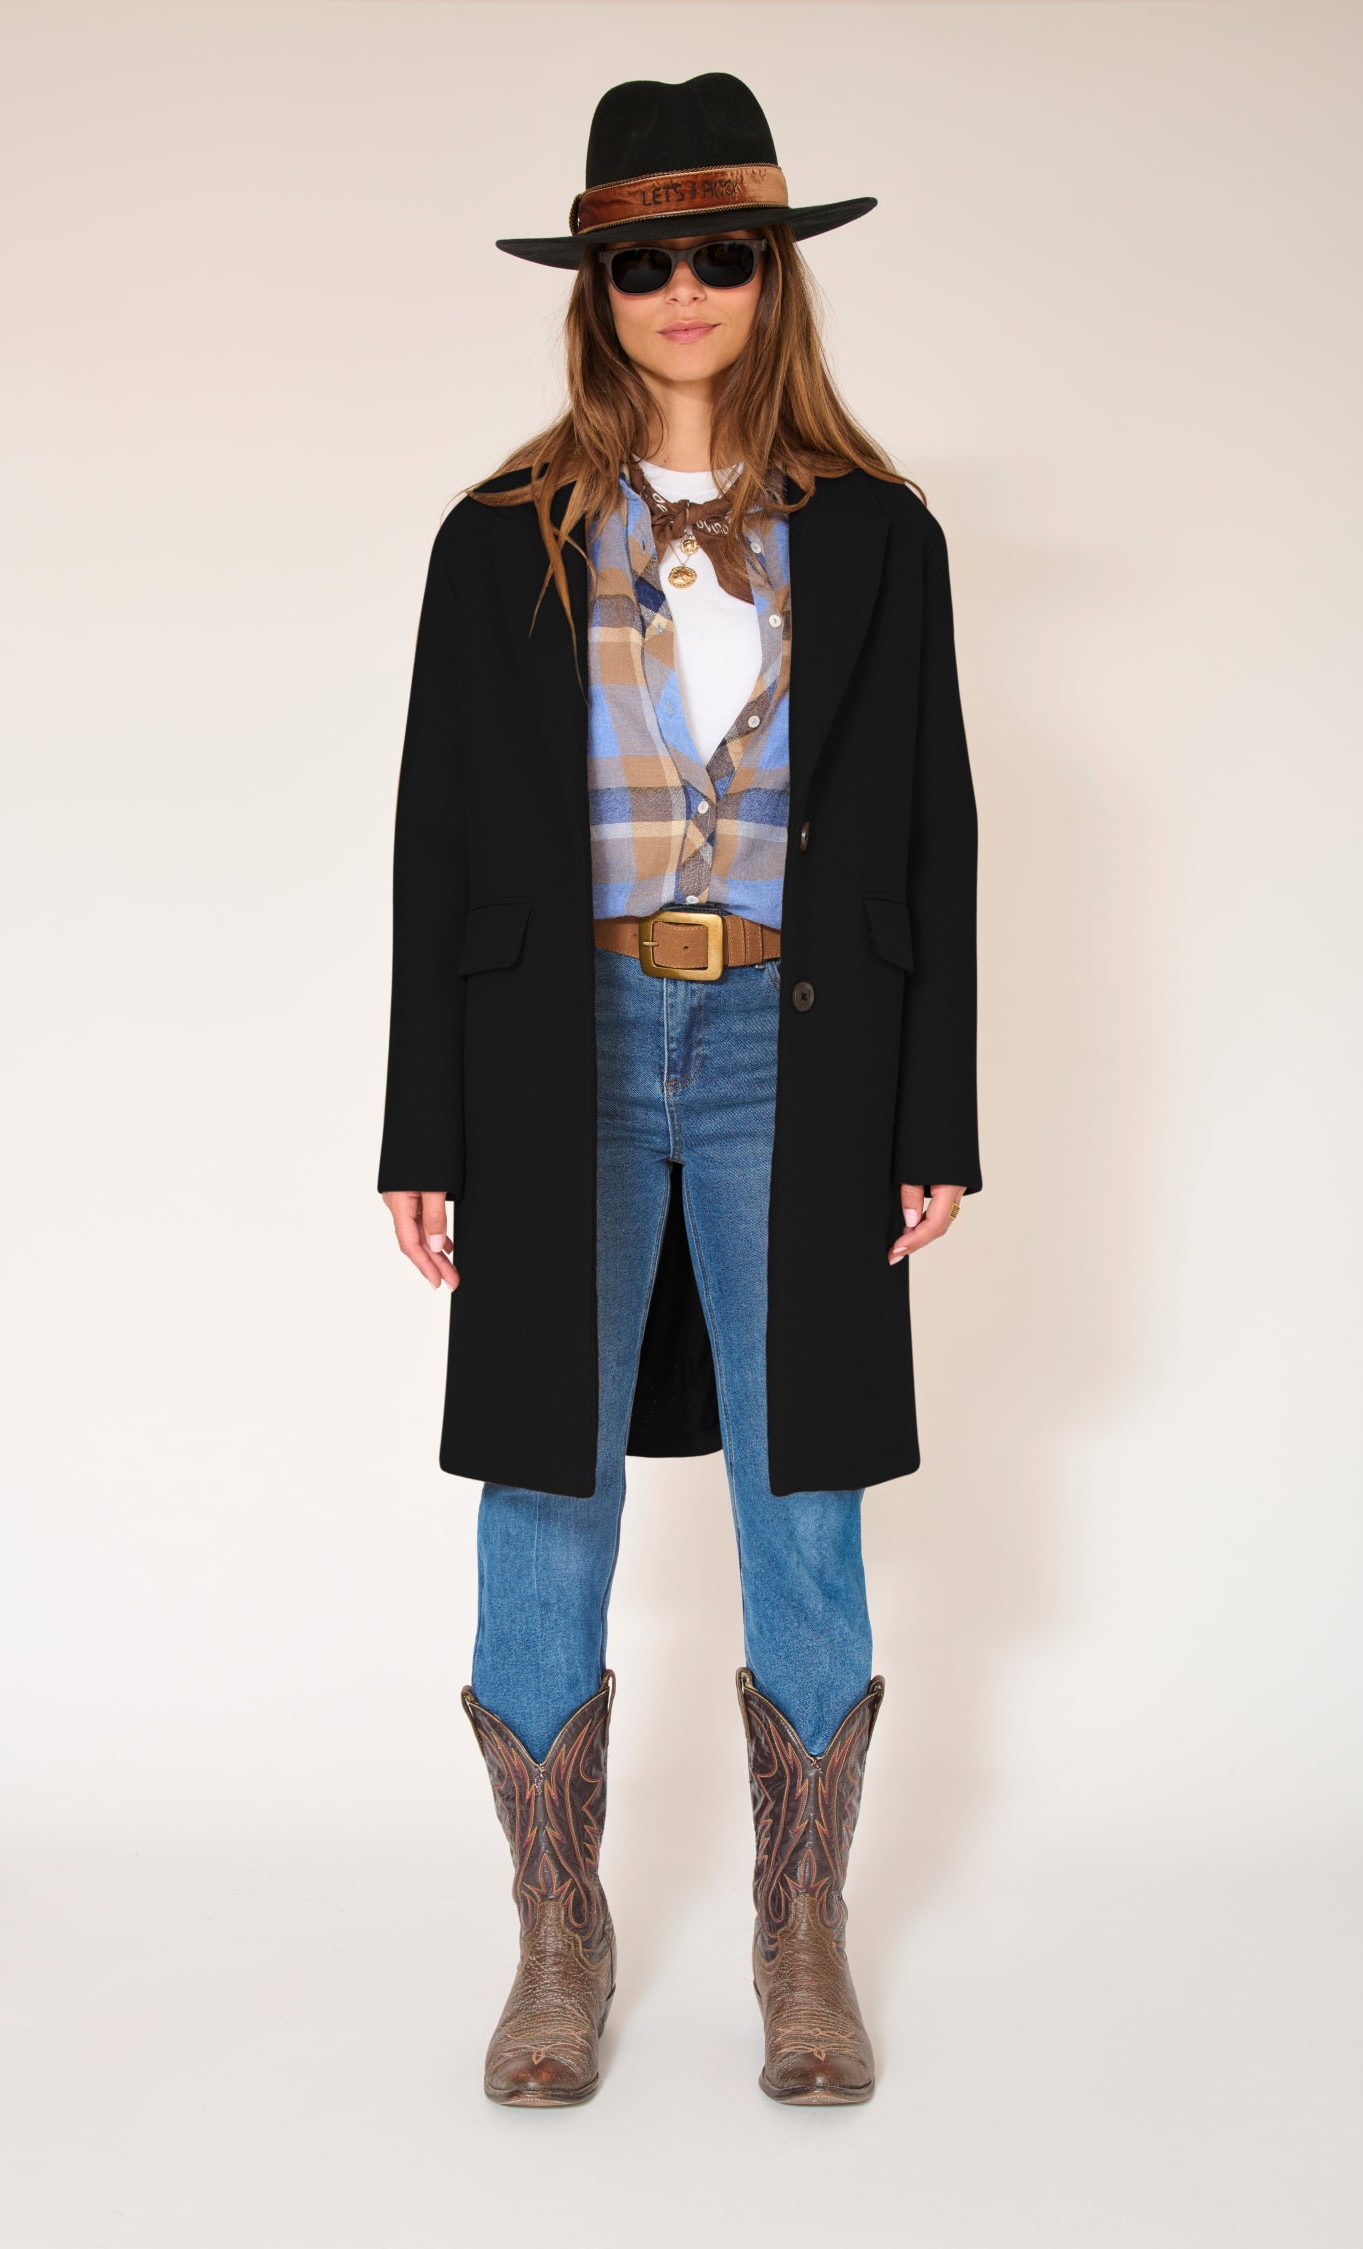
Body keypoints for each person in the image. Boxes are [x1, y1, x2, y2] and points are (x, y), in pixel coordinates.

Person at [377, 72, 981, 2108]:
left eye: (725, 252)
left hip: (795, 1055)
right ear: (599, 289)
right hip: (562, 1047)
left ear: (775, 273)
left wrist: (933, 1114)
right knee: (545, 1482)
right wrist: (424, 1126)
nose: (687, 290)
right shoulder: (499, 543)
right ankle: (559, 1937)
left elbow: (934, 832)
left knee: (804, 1484)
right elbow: (437, 842)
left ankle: (802, 1933)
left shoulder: (879, 537)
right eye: (645, 261)